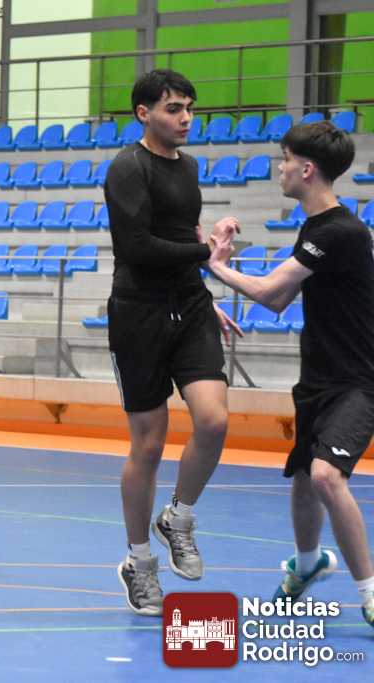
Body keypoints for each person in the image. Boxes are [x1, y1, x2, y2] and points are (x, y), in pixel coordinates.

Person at [207, 120, 374, 628]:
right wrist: (225, 266)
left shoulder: (341, 231)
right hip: (318, 378)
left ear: (306, 169)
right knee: (303, 476)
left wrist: (216, 265)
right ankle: (307, 565)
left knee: (325, 476)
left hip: (358, 381)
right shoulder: (315, 229)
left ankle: (369, 592)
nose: (278, 168)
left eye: (284, 159)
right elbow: (279, 301)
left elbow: (265, 290)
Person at [104, 69, 243, 616]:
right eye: (173, 109)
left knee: (213, 420)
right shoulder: (127, 167)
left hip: (190, 306)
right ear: (144, 113)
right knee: (149, 445)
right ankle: (139, 562)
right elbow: (137, 246)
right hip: (138, 313)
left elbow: (183, 237)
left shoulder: (189, 167)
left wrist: (206, 283)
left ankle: (178, 518)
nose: (186, 118)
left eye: (189, 108)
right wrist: (207, 253)